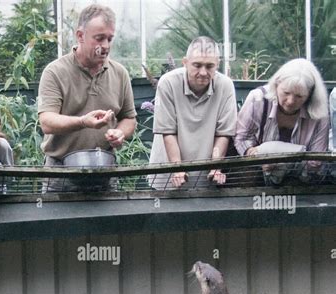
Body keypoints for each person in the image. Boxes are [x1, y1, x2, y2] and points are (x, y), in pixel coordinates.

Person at [38, 3, 137, 192]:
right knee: (57, 222)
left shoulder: (120, 73)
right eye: (99, 38)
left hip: (106, 172)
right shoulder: (55, 72)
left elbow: (129, 118)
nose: (106, 46)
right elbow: (47, 122)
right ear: (80, 36)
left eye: (110, 38)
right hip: (60, 174)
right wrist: (83, 121)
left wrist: (120, 133)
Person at [149, 36, 237, 189]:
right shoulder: (168, 83)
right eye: (197, 65)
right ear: (185, 62)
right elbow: (168, 132)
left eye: (209, 66)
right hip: (166, 176)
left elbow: (223, 133)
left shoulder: (226, 86)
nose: (203, 72)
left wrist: (215, 167)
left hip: (206, 180)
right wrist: (177, 169)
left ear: (218, 65)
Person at [234, 58, 329, 185]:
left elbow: (316, 161)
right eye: (286, 93)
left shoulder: (320, 114)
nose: (290, 101)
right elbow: (242, 138)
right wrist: (256, 157)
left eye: (299, 96)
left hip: (300, 184)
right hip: (256, 178)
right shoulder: (258, 99)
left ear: (310, 94)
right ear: (277, 84)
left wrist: (280, 161)